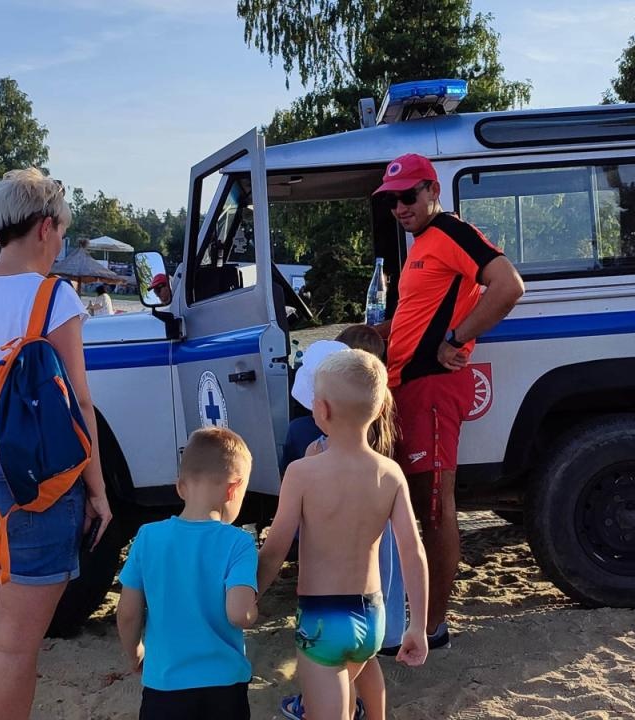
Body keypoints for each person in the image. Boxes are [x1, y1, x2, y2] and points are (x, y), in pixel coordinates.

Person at [0, 167, 112, 720]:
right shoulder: (52, 296)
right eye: (61, 232)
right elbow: (79, 405)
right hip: (23, 482)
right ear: (44, 226)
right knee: (12, 646)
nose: (59, 244)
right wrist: (97, 492)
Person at [372, 153, 524, 648]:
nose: (400, 206)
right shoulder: (421, 246)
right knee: (413, 505)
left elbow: (509, 285)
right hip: (405, 389)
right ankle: (416, 618)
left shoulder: (453, 232)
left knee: (434, 508)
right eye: (392, 200)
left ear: (433, 190)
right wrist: (376, 333)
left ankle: (433, 626)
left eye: (409, 195)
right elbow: (418, 314)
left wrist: (457, 339)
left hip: (434, 386)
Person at [259, 349, 430, 720]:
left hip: (322, 617)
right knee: (364, 673)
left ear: (321, 410)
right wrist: (417, 624)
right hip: (372, 616)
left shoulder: (302, 473)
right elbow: (412, 551)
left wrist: (249, 592)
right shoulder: (390, 473)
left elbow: (275, 548)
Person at [116, 427, 259, 720]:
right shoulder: (239, 542)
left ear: (180, 487)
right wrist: (253, 610)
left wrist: (135, 652)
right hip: (224, 686)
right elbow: (239, 614)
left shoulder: (147, 538)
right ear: (233, 490)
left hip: (164, 685)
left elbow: (128, 613)